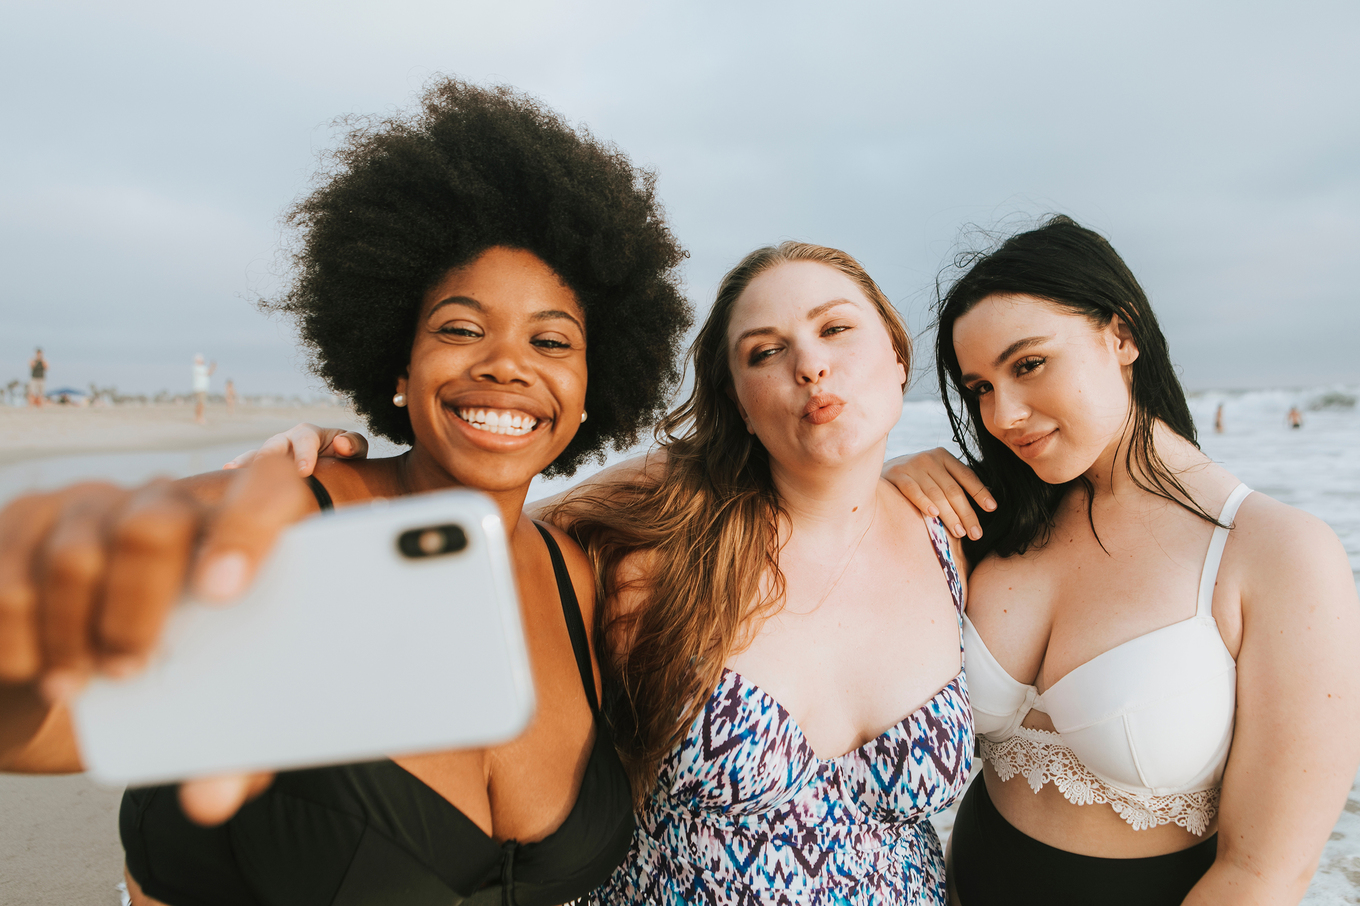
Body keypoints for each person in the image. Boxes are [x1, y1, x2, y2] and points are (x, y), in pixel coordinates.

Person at [0, 79, 691, 906]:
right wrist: (27, 640)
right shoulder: (288, 521)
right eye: (461, 329)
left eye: (551, 340)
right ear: (400, 370)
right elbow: (47, 727)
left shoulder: (578, 576)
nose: (508, 364)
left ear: (589, 389)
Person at [261, 242, 976, 904]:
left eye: (836, 330)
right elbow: (484, 525)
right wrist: (328, 483)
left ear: (897, 353)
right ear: (740, 405)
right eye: (765, 352)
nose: (811, 365)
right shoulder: (665, 514)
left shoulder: (954, 531)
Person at [885, 216, 1360, 904]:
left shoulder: (1276, 552)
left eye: (1028, 365)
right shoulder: (990, 518)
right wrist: (882, 481)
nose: (1004, 415)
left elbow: (1265, 874)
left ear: (1122, 334)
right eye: (980, 388)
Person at [191, 354, 215, 424]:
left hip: (200, 388)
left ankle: (197, 417)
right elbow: (208, 373)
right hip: (200, 388)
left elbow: (209, 373)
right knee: (201, 403)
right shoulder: (197, 367)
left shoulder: (200, 367)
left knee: (199, 403)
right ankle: (200, 417)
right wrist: (212, 367)